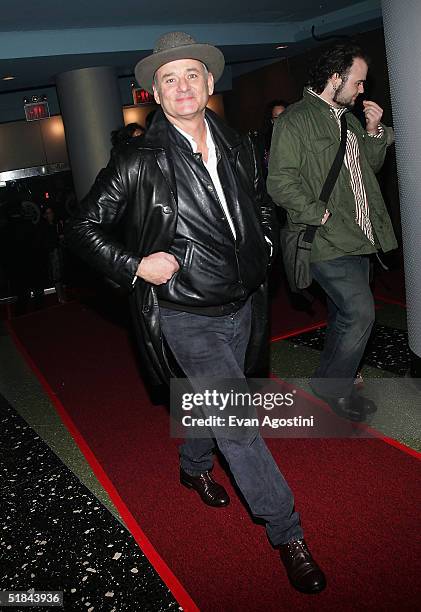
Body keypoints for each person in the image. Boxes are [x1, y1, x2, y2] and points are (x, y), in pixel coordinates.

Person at [66, 31, 326, 594]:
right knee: (237, 421)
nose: (182, 86)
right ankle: (288, 534)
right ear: (155, 94)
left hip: (244, 304)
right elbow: (80, 229)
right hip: (186, 313)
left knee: (214, 403)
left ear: (209, 83)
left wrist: (261, 246)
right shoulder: (138, 159)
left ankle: (191, 466)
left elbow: (257, 205)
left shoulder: (235, 141)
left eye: (192, 75)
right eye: (169, 79)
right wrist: (136, 264)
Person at [267, 43, 397, 421]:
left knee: (344, 315)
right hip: (325, 239)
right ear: (335, 78)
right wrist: (317, 214)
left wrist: (373, 131)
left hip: (359, 236)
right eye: (358, 83)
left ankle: (326, 380)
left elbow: (369, 167)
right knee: (361, 313)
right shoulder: (295, 119)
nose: (362, 92)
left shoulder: (349, 119)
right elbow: (280, 182)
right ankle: (337, 390)